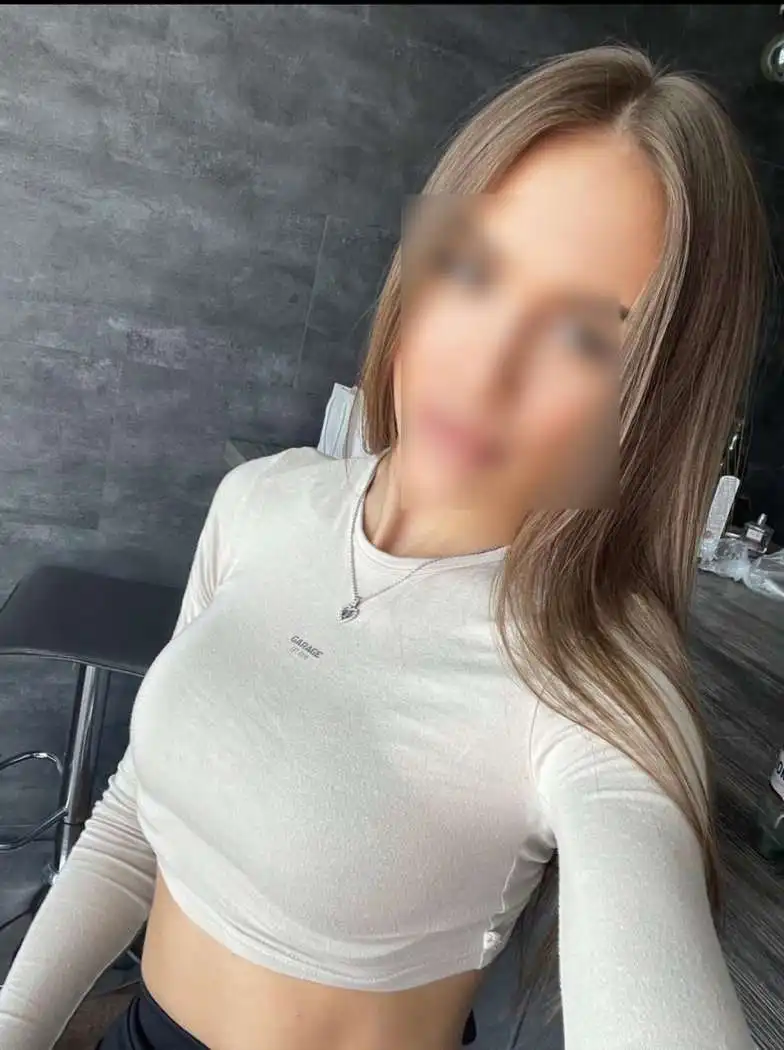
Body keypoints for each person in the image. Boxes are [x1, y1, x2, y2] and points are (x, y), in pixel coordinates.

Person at [0, 43, 769, 1050]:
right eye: (475, 270)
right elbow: (137, 809)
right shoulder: (262, 502)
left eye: (585, 337)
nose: (486, 366)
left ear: (650, 402)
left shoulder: (590, 670)